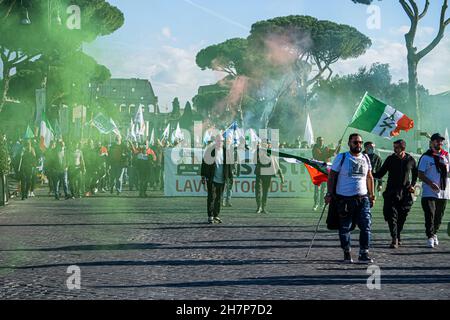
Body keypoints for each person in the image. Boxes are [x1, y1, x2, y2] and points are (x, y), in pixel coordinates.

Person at [325, 133, 375, 264]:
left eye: (360, 142)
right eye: (355, 142)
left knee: (366, 226)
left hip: (363, 198)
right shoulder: (342, 157)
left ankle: (364, 253)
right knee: (345, 227)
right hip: (344, 199)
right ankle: (347, 252)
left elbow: (369, 177)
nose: (358, 145)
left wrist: (372, 195)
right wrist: (329, 193)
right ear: (349, 143)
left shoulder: (365, 158)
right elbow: (332, 176)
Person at [373, 139, 417, 248]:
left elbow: (415, 173)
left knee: (402, 216)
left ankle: (398, 235)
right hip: (391, 192)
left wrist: (412, 184)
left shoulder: (410, 159)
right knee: (391, 216)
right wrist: (369, 173)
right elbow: (380, 173)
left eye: (397, 147)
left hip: (405, 193)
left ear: (403, 148)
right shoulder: (390, 159)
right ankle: (394, 238)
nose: (394, 149)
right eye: (394, 147)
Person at [418, 133, 450, 248]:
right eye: (437, 141)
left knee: (439, 215)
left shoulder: (446, 156)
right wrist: (431, 183)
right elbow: (420, 174)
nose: (439, 143)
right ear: (432, 142)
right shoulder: (426, 157)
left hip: (443, 191)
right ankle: (430, 236)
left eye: (441, 141)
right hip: (429, 191)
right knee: (430, 214)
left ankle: (434, 232)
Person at [201, 134, 235, 224]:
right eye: (218, 141)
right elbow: (204, 163)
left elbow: (230, 165)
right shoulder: (210, 151)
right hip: (211, 178)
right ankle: (210, 216)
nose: (220, 143)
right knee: (211, 197)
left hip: (222, 179)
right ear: (215, 141)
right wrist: (203, 176)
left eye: (221, 141)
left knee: (219, 198)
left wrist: (230, 177)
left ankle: (216, 215)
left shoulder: (226, 152)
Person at [254, 139, 284, 214]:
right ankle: (259, 207)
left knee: (265, 191)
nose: (265, 145)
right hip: (259, 173)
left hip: (267, 174)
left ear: (268, 145)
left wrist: (281, 175)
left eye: (266, 144)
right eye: (263, 143)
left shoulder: (271, 153)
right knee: (258, 190)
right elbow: (254, 161)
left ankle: (263, 207)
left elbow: (276, 165)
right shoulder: (258, 151)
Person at [312, 137, 341, 211]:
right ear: (317, 141)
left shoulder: (326, 148)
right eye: (319, 141)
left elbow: (335, 152)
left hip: (325, 170)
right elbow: (319, 156)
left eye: (322, 140)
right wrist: (327, 154)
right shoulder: (315, 149)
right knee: (317, 188)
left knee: (323, 188)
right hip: (317, 171)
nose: (321, 142)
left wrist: (339, 145)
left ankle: (321, 204)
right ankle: (316, 204)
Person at [222, 136, 240, 207]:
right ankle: (221, 201)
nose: (228, 143)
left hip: (231, 172)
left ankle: (228, 201)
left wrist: (236, 170)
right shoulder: (222, 150)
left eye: (229, 141)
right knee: (222, 187)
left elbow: (237, 161)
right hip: (224, 171)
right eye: (227, 141)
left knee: (229, 188)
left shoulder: (234, 151)